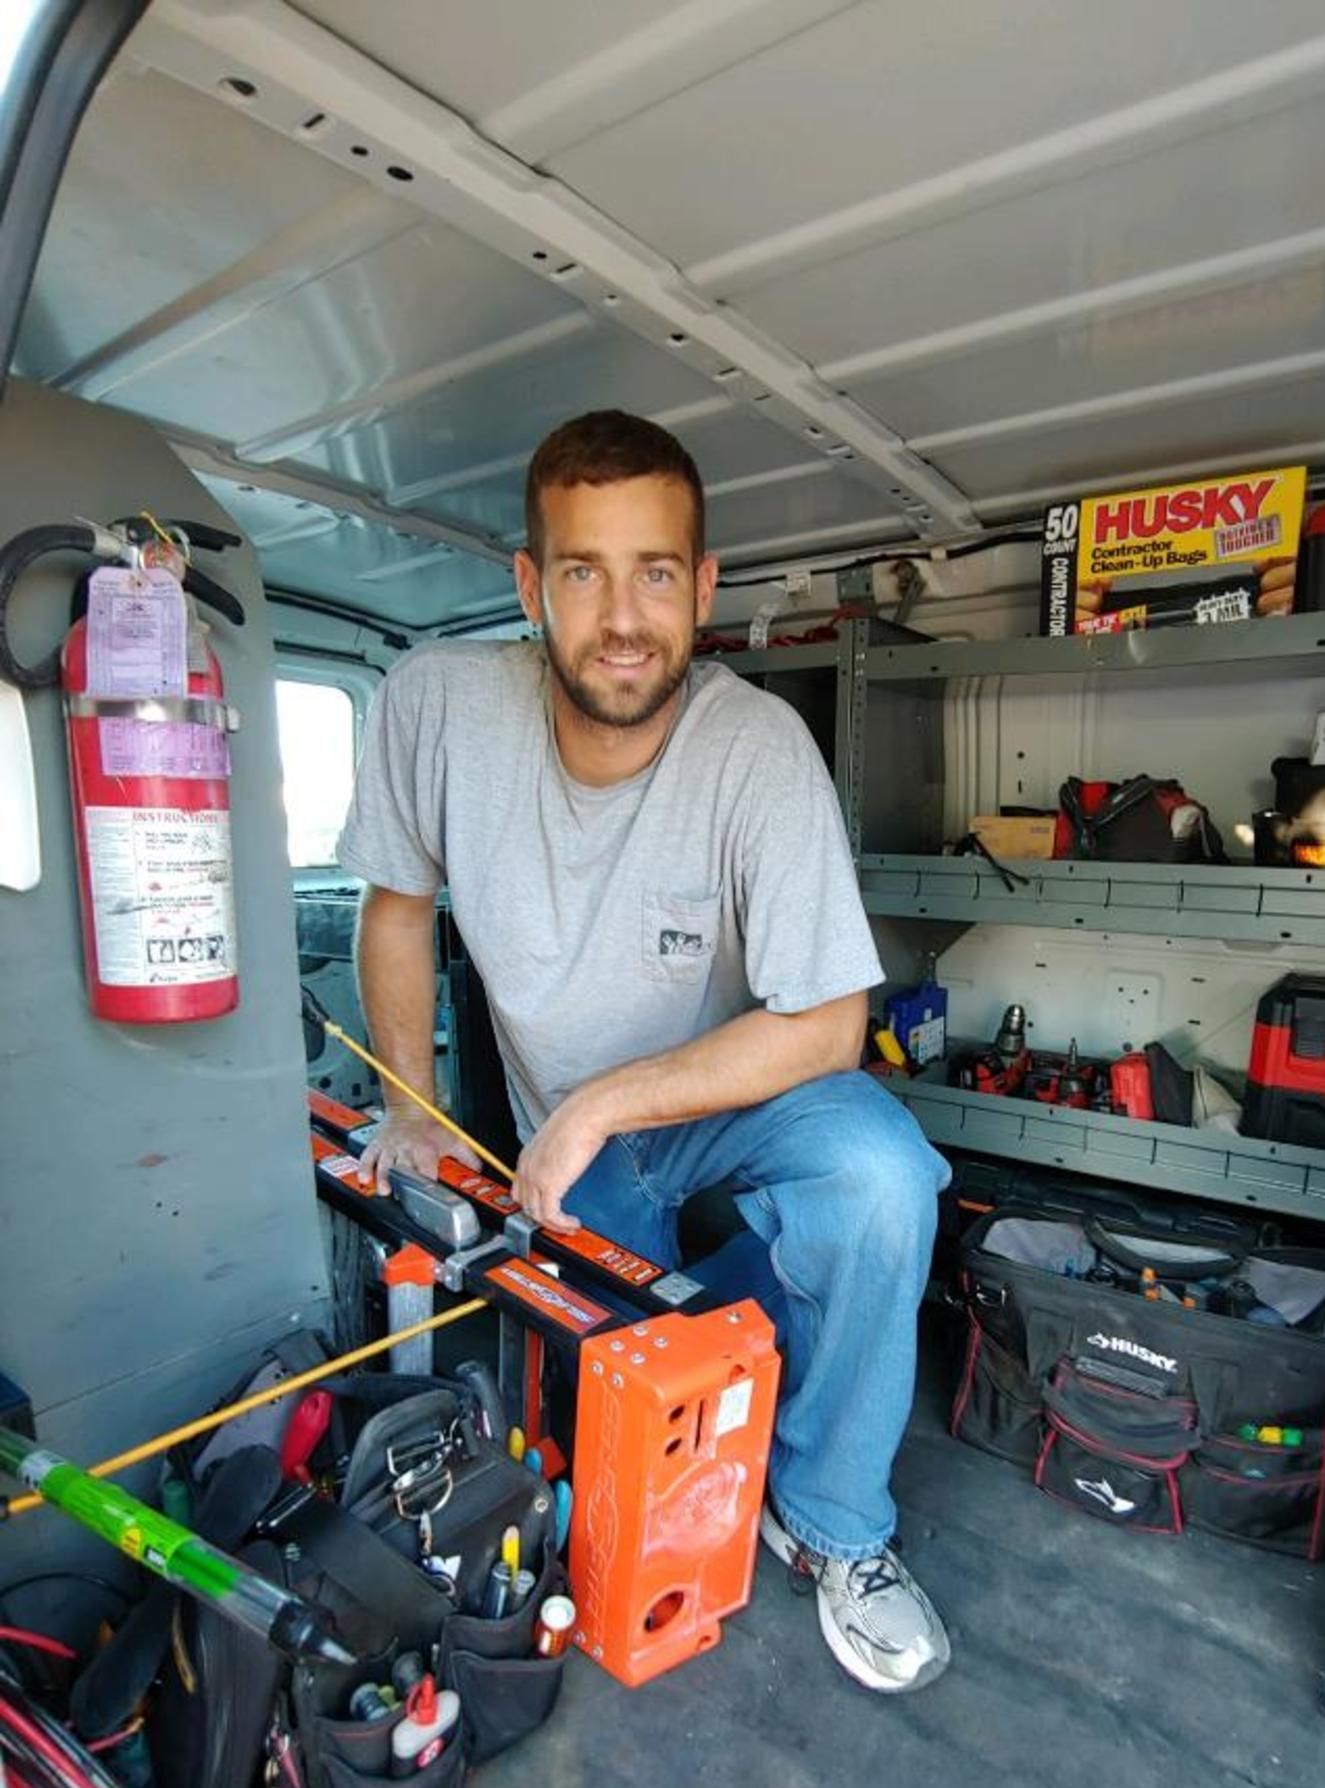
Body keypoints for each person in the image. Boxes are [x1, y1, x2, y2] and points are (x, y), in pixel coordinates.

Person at [337, 409, 951, 1693]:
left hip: (728, 1102)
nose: (623, 616)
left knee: (885, 1179)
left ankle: (839, 1523)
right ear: (529, 583)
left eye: (656, 572)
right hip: (582, 1148)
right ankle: (765, 1353)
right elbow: (395, 903)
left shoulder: (756, 750)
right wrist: (414, 1104)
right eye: (584, 571)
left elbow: (832, 1025)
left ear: (703, 585)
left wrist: (605, 1100)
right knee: (626, 1421)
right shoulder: (435, 708)